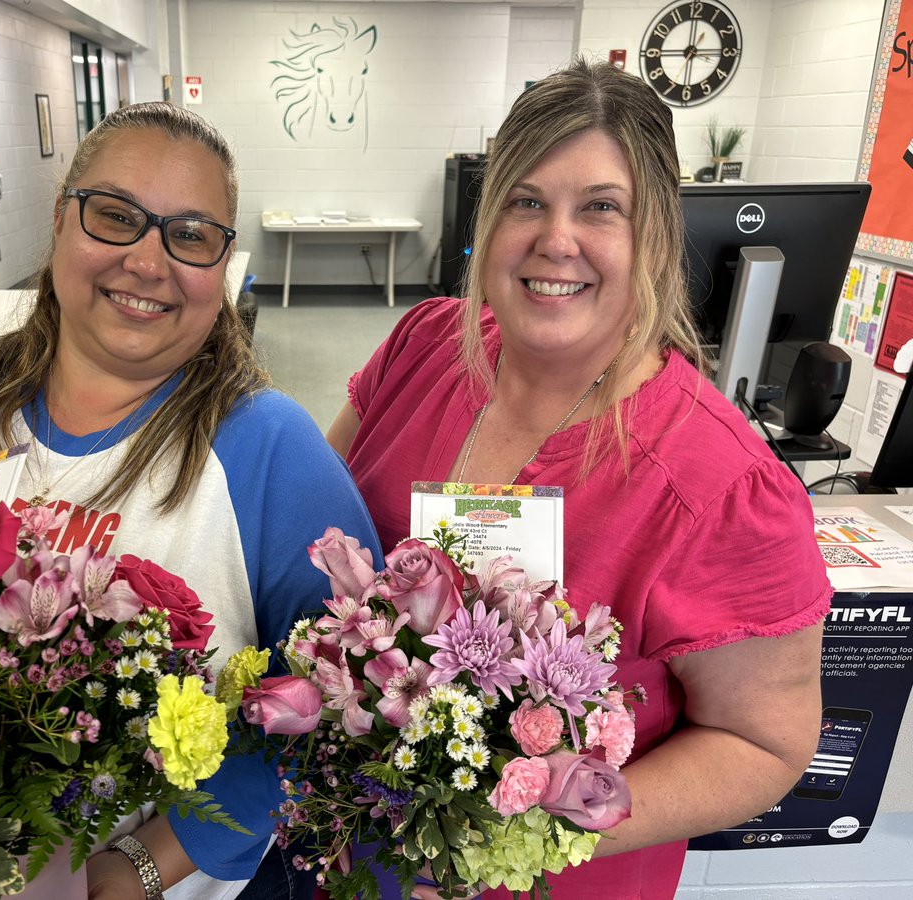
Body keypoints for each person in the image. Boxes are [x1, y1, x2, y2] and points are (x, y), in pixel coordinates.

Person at [0, 102, 379, 900]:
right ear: (62, 218)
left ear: (222, 264)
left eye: (191, 235)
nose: (148, 261)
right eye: (116, 216)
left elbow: (337, 709)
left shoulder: (272, 451)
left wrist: (136, 869)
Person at [326, 59, 829, 900]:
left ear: (655, 236)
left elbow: (763, 744)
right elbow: (316, 532)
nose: (555, 240)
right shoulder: (424, 348)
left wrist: (524, 832)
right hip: (357, 854)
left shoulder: (716, 485)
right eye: (526, 201)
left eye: (600, 207)